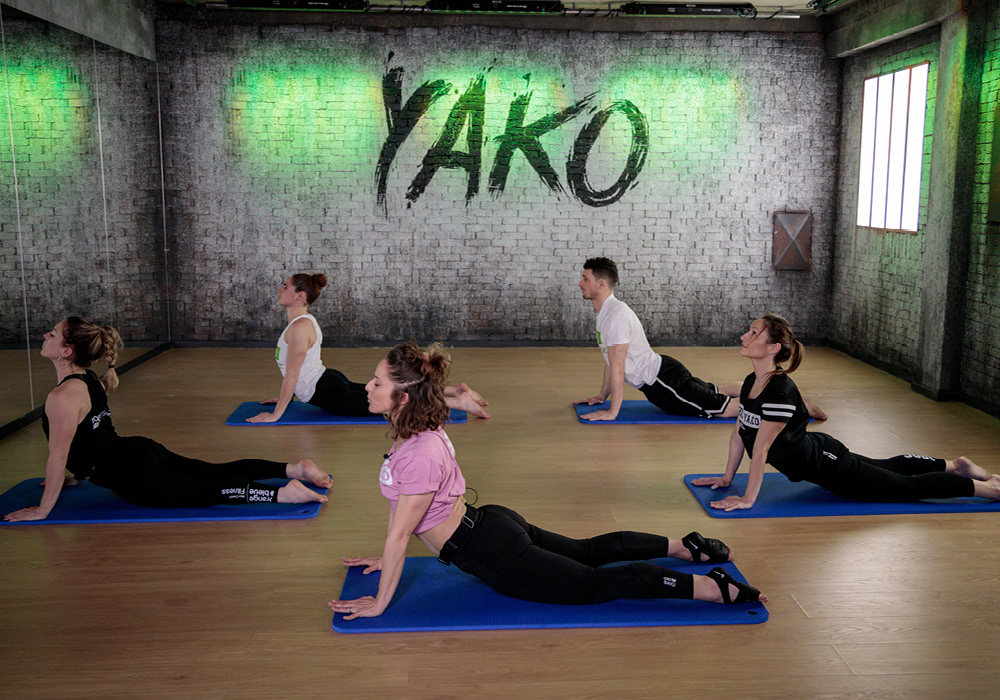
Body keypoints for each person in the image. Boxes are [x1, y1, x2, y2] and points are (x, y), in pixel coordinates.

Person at [328, 343, 766, 620]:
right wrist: (386, 554)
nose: (365, 386)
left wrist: (381, 602)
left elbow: (403, 532)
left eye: (376, 381)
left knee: (594, 584)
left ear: (402, 397)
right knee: (588, 552)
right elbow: (401, 515)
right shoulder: (416, 424)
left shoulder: (419, 450)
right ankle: (681, 546)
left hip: (492, 552)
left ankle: (710, 587)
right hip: (491, 523)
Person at [3, 317, 330, 523]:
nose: (46, 335)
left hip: (133, 475)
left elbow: (59, 455)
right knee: (212, 472)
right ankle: (293, 469)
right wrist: (79, 475)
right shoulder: (88, 378)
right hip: (137, 451)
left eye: (53, 333)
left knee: (208, 491)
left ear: (66, 351)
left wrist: (43, 510)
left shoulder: (61, 397)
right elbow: (90, 437)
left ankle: (284, 494)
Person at [692, 313, 1000, 511]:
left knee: (906, 488)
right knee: (887, 466)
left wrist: (747, 499)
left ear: (773, 348)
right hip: (823, 454)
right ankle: (954, 465)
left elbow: (760, 450)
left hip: (828, 465)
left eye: (754, 333)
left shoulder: (780, 394)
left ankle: (988, 490)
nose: (745, 336)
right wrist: (726, 476)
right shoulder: (750, 382)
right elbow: (739, 434)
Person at [575, 257, 826, 422]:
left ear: (601, 283)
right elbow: (611, 361)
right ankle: (784, 397)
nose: (580, 283)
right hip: (665, 372)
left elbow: (618, 367)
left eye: (585, 279)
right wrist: (602, 395)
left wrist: (612, 412)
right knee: (717, 391)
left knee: (725, 409)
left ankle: (796, 405)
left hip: (664, 384)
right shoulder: (605, 313)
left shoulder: (616, 316)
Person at [247, 273, 490, 423]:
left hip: (328, 392)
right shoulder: (302, 323)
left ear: (300, 295)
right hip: (327, 381)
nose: (280, 289)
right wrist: (284, 398)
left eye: (285, 286)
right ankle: (453, 391)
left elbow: (292, 374)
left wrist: (276, 414)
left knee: (394, 403)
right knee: (391, 393)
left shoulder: (300, 328)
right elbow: (298, 373)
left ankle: (458, 403)